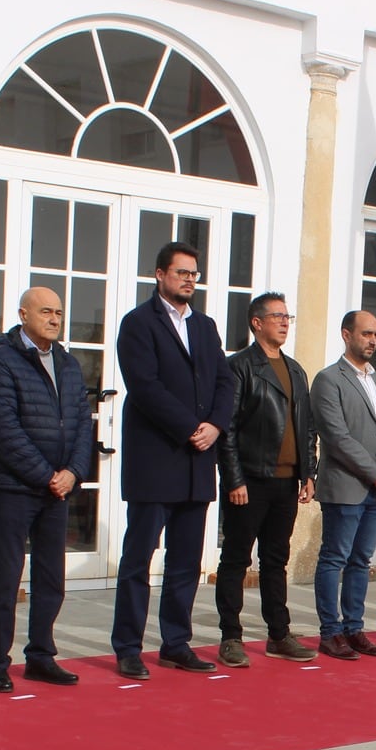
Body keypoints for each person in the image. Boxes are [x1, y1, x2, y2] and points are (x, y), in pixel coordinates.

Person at [111, 241, 236, 678]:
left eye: (194, 274)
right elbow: (144, 387)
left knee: (186, 561)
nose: (188, 280)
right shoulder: (137, 324)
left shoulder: (205, 326)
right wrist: (190, 427)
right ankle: (127, 645)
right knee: (138, 559)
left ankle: (175, 642)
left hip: (197, 464)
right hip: (156, 459)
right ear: (160, 275)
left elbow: (225, 381)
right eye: (181, 272)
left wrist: (216, 426)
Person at [0, 287, 93, 692]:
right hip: (15, 486)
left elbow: (83, 422)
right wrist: (47, 473)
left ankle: (41, 656)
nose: (54, 318)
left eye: (59, 312)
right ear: (23, 314)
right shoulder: (2, 359)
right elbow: (1, 428)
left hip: (57, 489)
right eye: (46, 311)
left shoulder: (67, 363)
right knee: (7, 578)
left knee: (51, 578)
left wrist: (73, 472)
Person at [215, 292, 317, 668]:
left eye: (287, 316)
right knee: (236, 560)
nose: (285, 322)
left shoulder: (295, 370)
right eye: (277, 316)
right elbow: (226, 428)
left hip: (286, 483)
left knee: (276, 560)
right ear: (256, 322)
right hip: (250, 481)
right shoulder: (239, 366)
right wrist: (234, 479)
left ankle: (279, 634)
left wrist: (309, 473)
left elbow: (307, 427)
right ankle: (231, 636)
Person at [310, 310, 376, 660]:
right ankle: (330, 631)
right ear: (346, 335)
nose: (373, 341)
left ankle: (354, 628)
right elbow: (336, 436)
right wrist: (374, 472)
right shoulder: (328, 380)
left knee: (361, 561)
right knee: (335, 557)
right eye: (366, 334)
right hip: (347, 485)